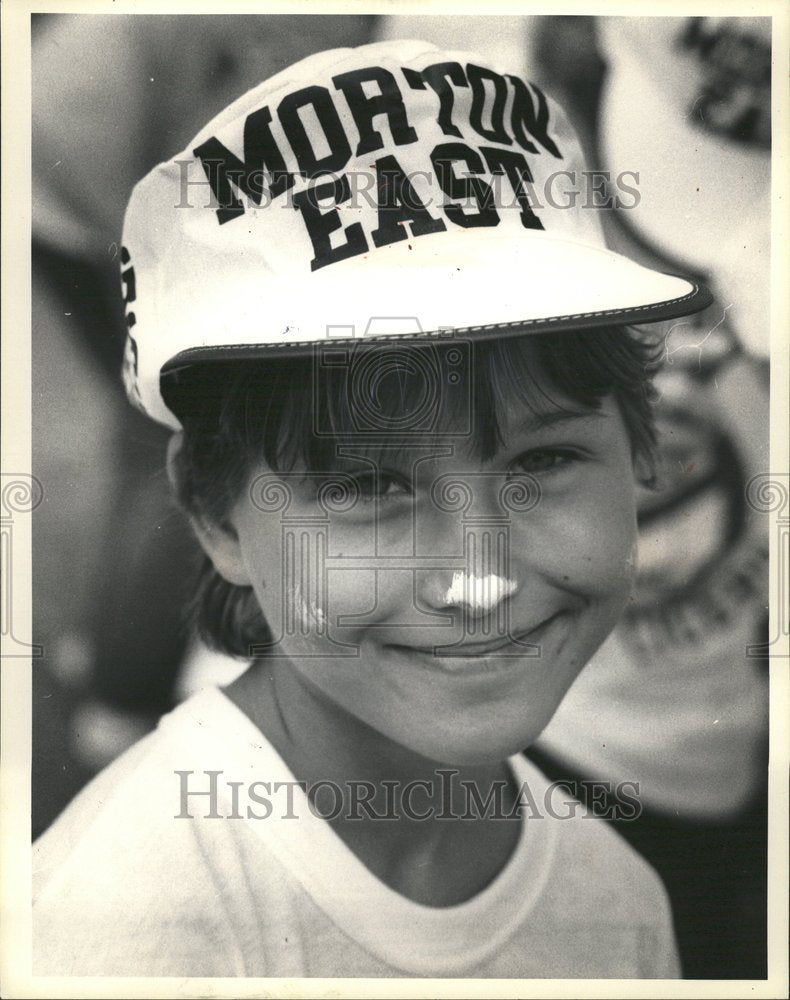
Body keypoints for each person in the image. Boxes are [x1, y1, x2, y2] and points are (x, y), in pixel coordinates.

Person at [32, 39, 714, 978]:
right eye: (366, 487)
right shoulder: (114, 930)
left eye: (545, 459)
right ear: (215, 512)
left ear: (639, 452)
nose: (478, 576)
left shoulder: (619, 898)